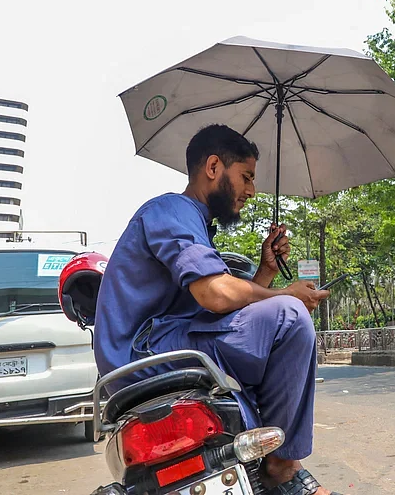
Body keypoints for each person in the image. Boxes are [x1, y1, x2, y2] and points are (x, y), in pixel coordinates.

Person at [93, 124, 339, 494]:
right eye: (246, 177)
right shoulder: (171, 209)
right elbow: (215, 295)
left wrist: (266, 271)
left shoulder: (193, 223)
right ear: (213, 168)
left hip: (165, 345)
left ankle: (263, 460)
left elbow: (222, 309)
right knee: (289, 318)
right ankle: (283, 467)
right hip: (144, 352)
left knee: (273, 335)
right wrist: (286, 294)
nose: (252, 191)